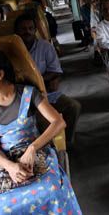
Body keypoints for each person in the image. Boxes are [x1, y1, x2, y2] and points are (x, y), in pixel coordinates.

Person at [0, 48, 82, 214]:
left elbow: (58, 122)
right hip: (5, 160)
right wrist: (11, 167)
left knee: (51, 190)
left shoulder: (28, 93)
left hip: (37, 151)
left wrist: (32, 148)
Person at [14, 13, 81, 146]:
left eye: (30, 28)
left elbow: (55, 71)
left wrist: (37, 82)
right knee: (41, 121)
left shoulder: (45, 47)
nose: (27, 31)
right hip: (19, 98)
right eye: (23, 29)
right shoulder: (10, 51)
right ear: (16, 31)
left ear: (35, 30)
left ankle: (66, 143)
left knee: (73, 106)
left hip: (43, 92)